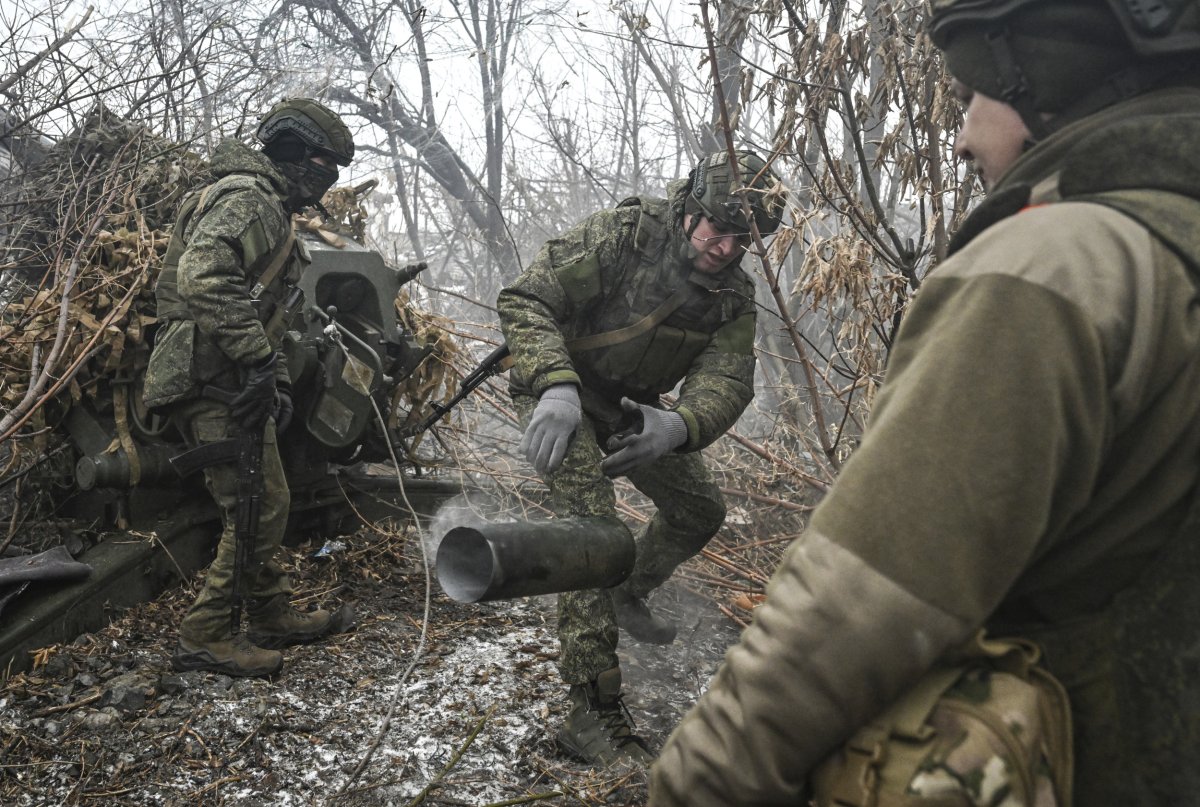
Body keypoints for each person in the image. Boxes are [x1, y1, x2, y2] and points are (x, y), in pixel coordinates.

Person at [648, 1, 1200, 804]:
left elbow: (858, 602)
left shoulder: (1055, 264)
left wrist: (697, 782)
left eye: (977, 94)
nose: (967, 134)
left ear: (1050, 82)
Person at [496, 151, 786, 766]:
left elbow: (728, 380)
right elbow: (526, 298)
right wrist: (554, 383)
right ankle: (590, 709)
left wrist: (680, 425)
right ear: (687, 212)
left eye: (741, 239)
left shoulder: (733, 298)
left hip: (632, 407)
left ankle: (627, 592)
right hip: (559, 393)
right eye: (716, 228)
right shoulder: (624, 237)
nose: (725, 247)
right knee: (592, 531)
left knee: (699, 509)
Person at [142, 98, 355, 678]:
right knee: (258, 507)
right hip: (208, 373)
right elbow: (203, 276)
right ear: (293, 155)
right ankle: (204, 635)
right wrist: (260, 364)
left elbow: (273, 315)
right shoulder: (248, 199)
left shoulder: (271, 210)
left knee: (261, 496)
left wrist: (276, 379)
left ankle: (268, 614)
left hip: (226, 372)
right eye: (324, 164)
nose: (328, 179)